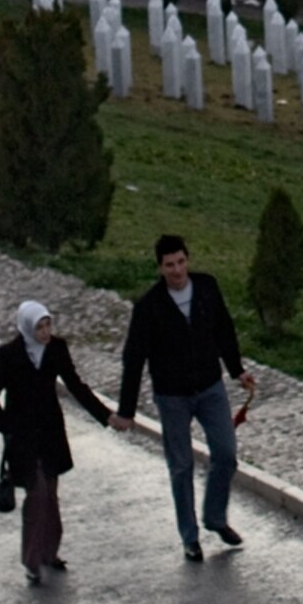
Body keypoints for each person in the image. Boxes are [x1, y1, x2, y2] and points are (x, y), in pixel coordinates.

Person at [115, 234, 256, 561]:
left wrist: (236, 370)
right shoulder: (149, 307)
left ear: (187, 260)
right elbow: (133, 359)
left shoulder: (207, 287)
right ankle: (190, 537)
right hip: (172, 396)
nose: (177, 270)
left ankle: (215, 517)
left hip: (210, 387)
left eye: (181, 262)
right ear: (160, 268)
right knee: (180, 466)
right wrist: (126, 410)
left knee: (226, 453)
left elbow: (224, 329)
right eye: (169, 265)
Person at [0, 300, 113, 586]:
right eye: (39, 327)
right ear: (28, 327)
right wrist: (5, 425)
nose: (44, 332)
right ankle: (31, 559)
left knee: (50, 493)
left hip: (51, 433)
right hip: (23, 438)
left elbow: (76, 386)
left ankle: (49, 552)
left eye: (47, 325)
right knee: (37, 493)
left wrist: (107, 416)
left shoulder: (56, 349)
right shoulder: (9, 355)